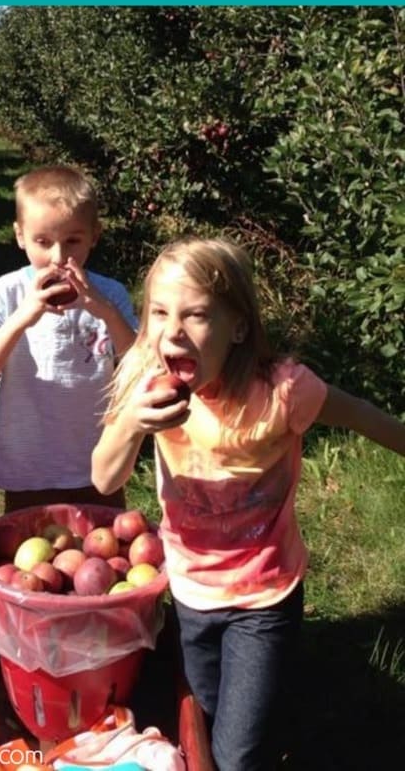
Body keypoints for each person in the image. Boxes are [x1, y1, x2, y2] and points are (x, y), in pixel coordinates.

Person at [91, 237, 405, 771]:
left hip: (265, 593)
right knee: (204, 721)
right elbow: (104, 478)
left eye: (195, 315)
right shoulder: (149, 382)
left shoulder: (282, 391)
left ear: (238, 327)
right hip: (190, 589)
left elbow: (362, 416)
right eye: (160, 313)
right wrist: (130, 424)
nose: (172, 331)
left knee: (238, 757)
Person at [0, 164, 137, 511]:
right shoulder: (4, 295)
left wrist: (103, 311)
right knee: (29, 556)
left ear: (94, 235)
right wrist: (23, 317)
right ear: (20, 235)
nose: (58, 257)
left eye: (73, 241)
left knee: (106, 558)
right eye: (43, 242)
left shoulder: (110, 295)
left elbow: (140, 367)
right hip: (30, 468)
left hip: (100, 464)